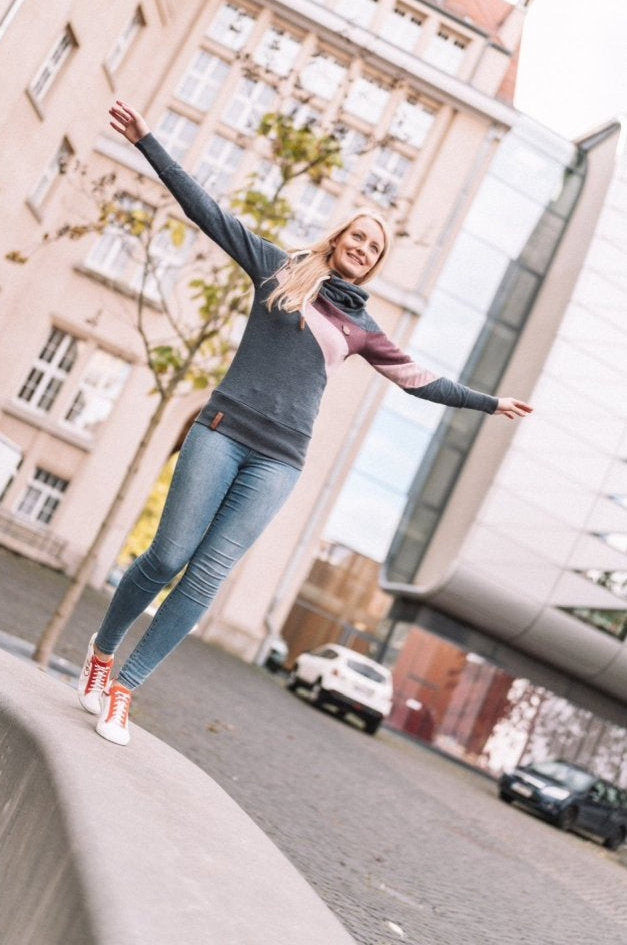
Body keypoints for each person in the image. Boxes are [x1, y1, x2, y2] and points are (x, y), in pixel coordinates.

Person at [78, 99, 533, 745]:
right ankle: (100, 653)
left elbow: (420, 381)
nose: (362, 247)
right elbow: (206, 212)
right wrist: (148, 141)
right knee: (167, 556)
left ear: (374, 263)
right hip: (221, 432)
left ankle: (125, 690)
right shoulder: (279, 267)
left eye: (373, 247)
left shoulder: (364, 329)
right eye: (357, 235)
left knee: (206, 576)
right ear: (339, 235)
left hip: (278, 462)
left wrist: (490, 402)